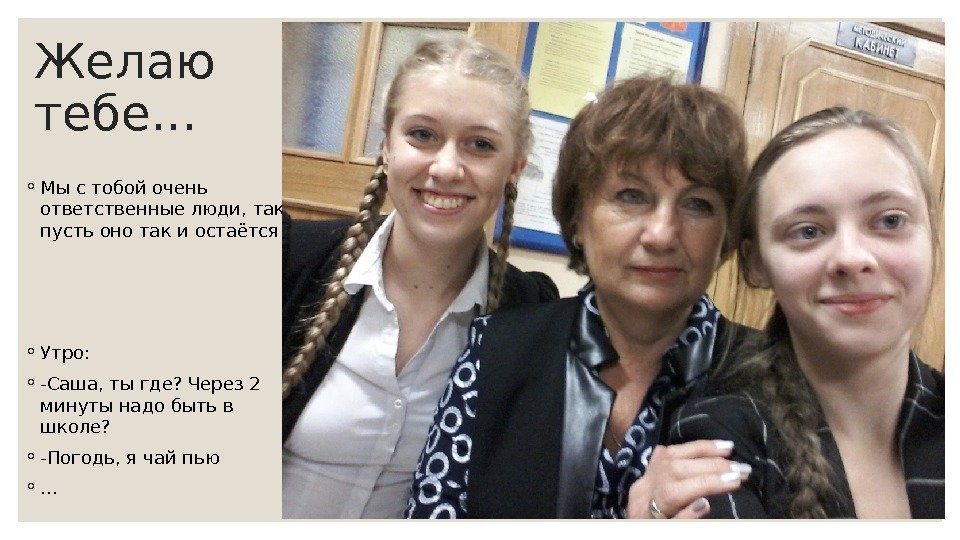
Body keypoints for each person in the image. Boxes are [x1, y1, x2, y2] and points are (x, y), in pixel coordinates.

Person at [407, 75, 758, 519]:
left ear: (726, 232)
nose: (662, 234)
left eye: (698, 204)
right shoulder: (495, 349)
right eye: (632, 196)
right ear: (577, 218)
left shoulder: (773, 379)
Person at [281, 36, 559, 519]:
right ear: (386, 146)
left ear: (513, 168)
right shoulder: (289, 258)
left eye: (481, 145)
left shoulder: (530, 313)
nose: (446, 168)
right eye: (422, 135)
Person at [661, 107, 944, 518]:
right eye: (808, 231)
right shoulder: (718, 440)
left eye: (890, 221)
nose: (852, 258)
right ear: (757, 263)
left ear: (931, 234)